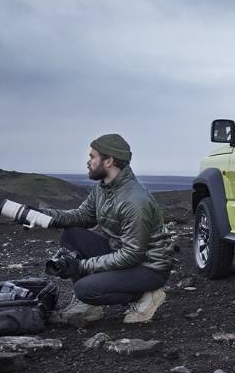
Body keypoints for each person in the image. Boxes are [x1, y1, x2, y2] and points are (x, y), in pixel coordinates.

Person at [42, 134, 175, 325]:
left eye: (92, 157)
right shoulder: (103, 188)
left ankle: (145, 295)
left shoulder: (134, 201)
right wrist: (42, 215)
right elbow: (82, 217)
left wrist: (80, 266)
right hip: (123, 253)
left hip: (148, 267)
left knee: (85, 289)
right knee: (71, 233)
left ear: (109, 161)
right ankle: (88, 308)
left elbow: (132, 255)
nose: (88, 162)